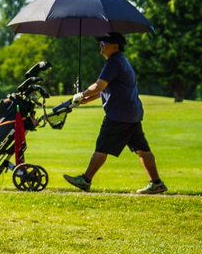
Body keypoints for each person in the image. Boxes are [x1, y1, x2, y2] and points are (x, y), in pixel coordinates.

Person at [63, 32, 166, 195]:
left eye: (104, 43)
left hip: (119, 115)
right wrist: (86, 99)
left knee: (102, 146)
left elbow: (98, 86)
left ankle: (85, 180)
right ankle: (157, 183)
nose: (101, 46)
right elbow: (105, 89)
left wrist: (81, 94)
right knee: (142, 149)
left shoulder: (114, 62)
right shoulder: (120, 61)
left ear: (115, 46)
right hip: (131, 113)